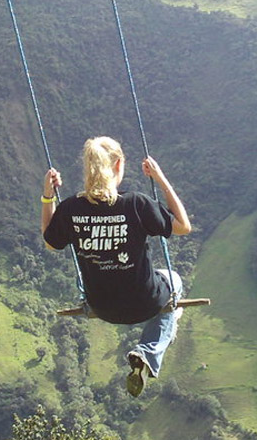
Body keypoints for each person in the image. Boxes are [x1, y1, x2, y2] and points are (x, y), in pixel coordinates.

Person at [40, 136, 192, 396]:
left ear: (87, 169)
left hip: (102, 306)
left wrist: (47, 197)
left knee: (91, 281)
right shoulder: (137, 204)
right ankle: (146, 352)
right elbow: (183, 226)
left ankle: (145, 356)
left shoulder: (70, 209)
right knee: (174, 281)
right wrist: (160, 179)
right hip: (145, 302)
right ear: (119, 165)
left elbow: (51, 243)